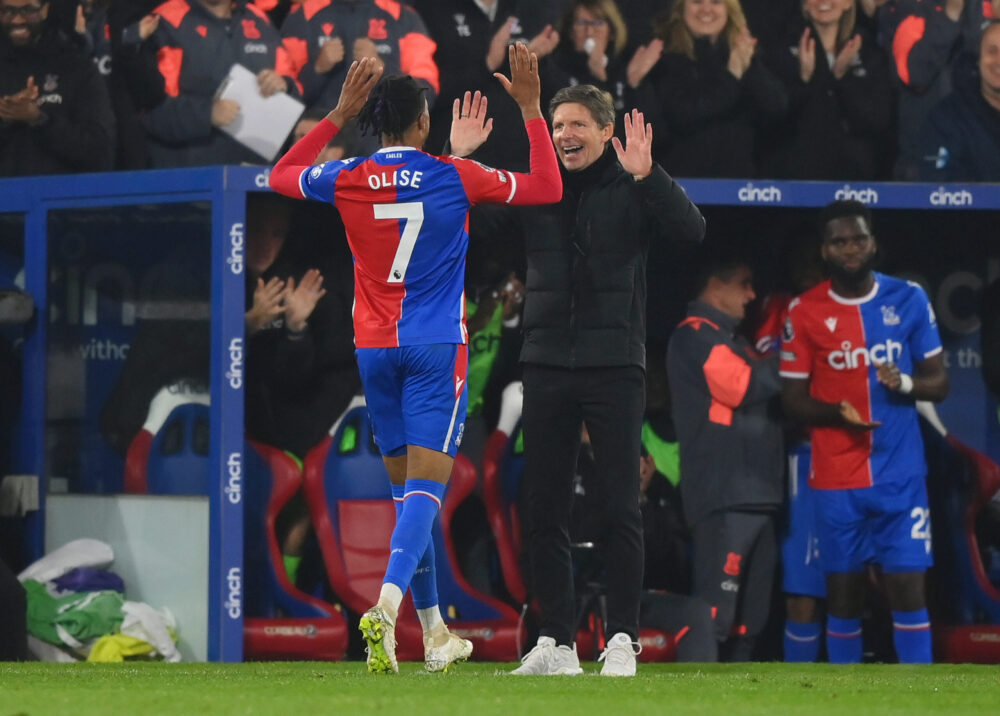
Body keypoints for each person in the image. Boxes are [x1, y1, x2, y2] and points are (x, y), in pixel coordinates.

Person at [268, 46, 563, 674]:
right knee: (428, 489)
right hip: (435, 347)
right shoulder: (455, 174)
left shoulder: (347, 174)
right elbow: (548, 186)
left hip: (375, 350)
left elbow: (280, 175)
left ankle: (434, 633)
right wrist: (531, 110)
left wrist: (336, 113)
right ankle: (386, 604)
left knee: (408, 496)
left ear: (373, 121)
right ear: (425, 122)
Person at [461, 83, 704, 676]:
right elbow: (475, 221)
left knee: (620, 506)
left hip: (615, 367)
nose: (565, 135)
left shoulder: (633, 184)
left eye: (576, 125)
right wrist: (461, 161)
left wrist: (650, 176)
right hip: (545, 363)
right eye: (557, 125)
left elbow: (692, 231)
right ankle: (557, 642)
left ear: (604, 132)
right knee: (544, 508)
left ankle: (621, 638)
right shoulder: (536, 185)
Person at [780, 200, 949, 664]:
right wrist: (838, 413)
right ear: (825, 250)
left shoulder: (909, 298)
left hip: (901, 473)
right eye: (839, 242)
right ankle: (844, 695)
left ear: (873, 243)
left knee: (908, 589)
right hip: (837, 477)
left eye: (858, 239)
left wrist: (906, 383)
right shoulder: (804, 311)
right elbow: (792, 399)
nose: (850, 248)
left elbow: (940, 383)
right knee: (844, 597)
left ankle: (918, 692)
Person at [667, 252, 783, 661]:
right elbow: (740, 386)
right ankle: (700, 691)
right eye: (744, 284)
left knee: (752, 620)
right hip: (725, 496)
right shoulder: (695, 335)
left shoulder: (737, 342)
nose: (752, 295)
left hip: (758, 495)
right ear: (716, 287)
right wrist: (796, 355)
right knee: (717, 618)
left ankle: (740, 690)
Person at [143, 0, 298, 167]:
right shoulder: (167, 21)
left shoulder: (258, 18)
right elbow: (151, 109)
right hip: (192, 173)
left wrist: (285, 85)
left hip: (259, 172)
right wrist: (207, 114)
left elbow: (295, 88)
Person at [648, 0, 788, 177]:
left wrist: (750, 67)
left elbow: (776, 108)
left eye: (716, 2)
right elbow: (681, 115)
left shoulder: (743, 54)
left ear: (729, 9)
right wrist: (732, 76)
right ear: (681, 8)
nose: (707, 9)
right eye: (697, 1)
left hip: (738, 183)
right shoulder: (663, 58)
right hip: (680, 182)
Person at [765, 0, 892, 179]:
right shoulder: (782, 50)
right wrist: (803, 80)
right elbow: (771, 118)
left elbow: (876, 120)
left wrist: (842, 78)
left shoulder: (868, 51)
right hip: (796, 179)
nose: (824, 1)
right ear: (804, 4)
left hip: (853, 180)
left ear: (848, 3)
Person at [0, 0, 116, 176]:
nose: (17, 20)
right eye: (8, 11)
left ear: (45, 9)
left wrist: (40, 120)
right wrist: (5, 118)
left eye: (27, 10)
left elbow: (100, 152)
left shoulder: (76, 68)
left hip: (62, 191)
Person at [918, 19, 1000, 181]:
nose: (999, 60)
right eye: (992, 51)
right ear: (978, 59)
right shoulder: (946, 118)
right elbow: (938, 184)